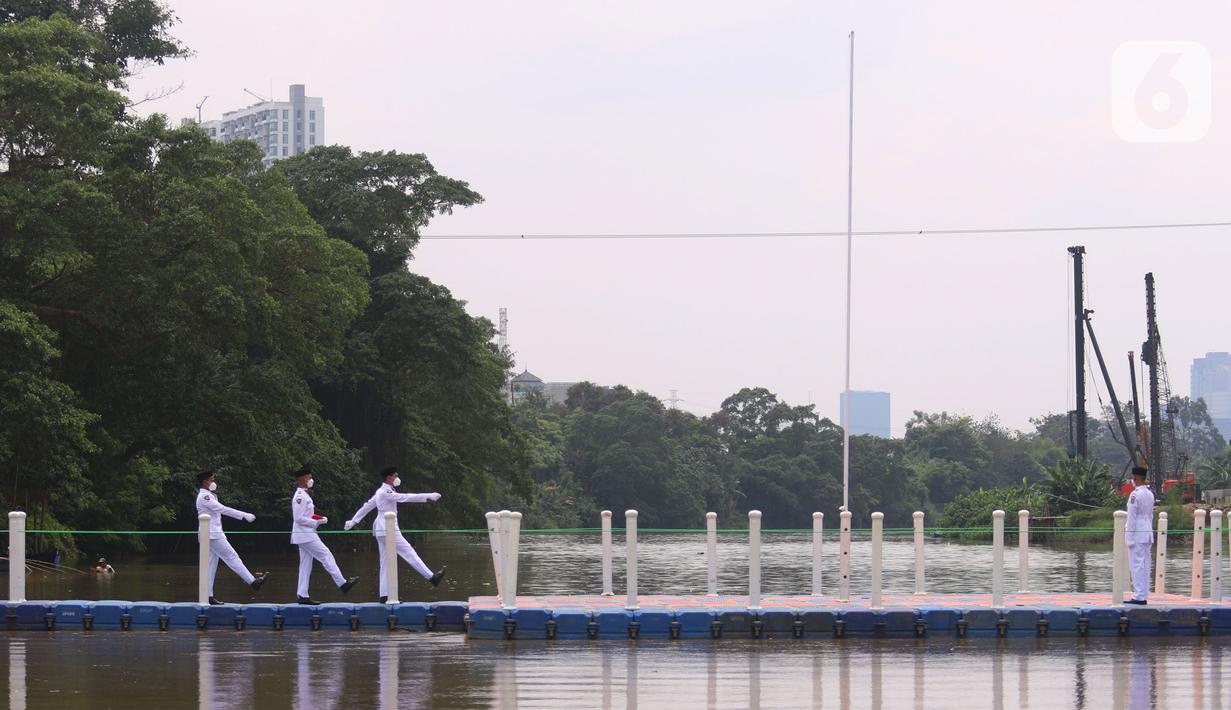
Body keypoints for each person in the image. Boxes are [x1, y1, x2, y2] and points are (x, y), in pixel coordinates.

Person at [345, 466, 446, 602]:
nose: (397, 478)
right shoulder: (386, 491)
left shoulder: (381, 490)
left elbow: (367, 506)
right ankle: (431, 577)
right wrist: (428, 496)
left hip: (382, 529)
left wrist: (353, 521)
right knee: (408, 552)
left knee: (385, 561)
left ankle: (384, 595)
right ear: (389, 477)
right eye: (395, 475)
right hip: (388, 529)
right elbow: (404, 497)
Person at [195, 470, 270, 605]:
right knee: (232, 557)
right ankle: (253, 582)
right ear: (205, 482)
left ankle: (208, 596)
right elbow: (222, 509)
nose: (214, 482)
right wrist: (243, 515)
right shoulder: (205, 497)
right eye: (211, 480)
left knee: (211, 565)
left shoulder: (209, 495)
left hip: (212, 533)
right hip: (212, 534)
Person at [290, 463, 359, 604]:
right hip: (305, 534)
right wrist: (316, 523)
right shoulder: (300, 496)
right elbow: (298, 518)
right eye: (309, 477)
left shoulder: (304, 494)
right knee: (326, 555)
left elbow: (306, 514)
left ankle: (302, 595)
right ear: (302, 479)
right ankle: (342, 584)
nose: (311, 479)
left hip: (305, 534)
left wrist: (318, 518)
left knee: (305, 564)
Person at [1124, 465, 1155, 605]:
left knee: (1137, 565)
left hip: (1137, 533)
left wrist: (1129, 537)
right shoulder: (1149, 493)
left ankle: (1138, 596)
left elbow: (1131, 518)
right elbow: (1151, 515)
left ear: (1135, 478)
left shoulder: (1135, 495)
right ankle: (1143, 594)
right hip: (1147, 532)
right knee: (1145, 565)